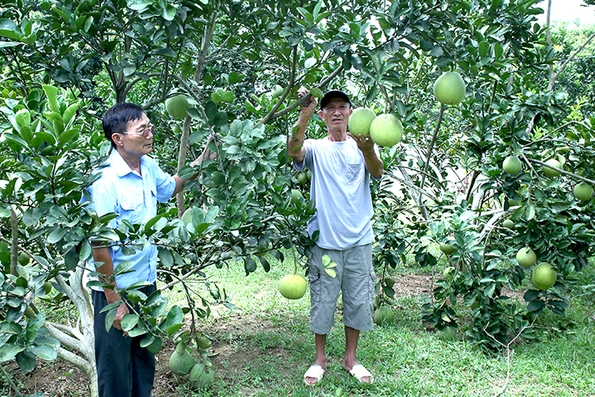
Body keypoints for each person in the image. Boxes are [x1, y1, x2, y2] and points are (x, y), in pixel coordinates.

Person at [85, 102, 215, 397]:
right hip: (116, 290)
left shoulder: (147, 166)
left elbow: (171, 187)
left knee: (143, 361)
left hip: (146, 286)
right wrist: (113, 299)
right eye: (142, 129)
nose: (149, 134)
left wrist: (204, 160)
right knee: (114, 370)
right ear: (118, 138)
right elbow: (100, 244)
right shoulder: (105, 181)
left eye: (150, 127)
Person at [288, 90, 384, 386]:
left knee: (357, 300)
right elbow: (294, 151)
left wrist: (367, 149)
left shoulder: (364, 145)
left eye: (343, 106)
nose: (337, 112)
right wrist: (304, 113)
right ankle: (319, 360)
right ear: (323, 115)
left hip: (359, 241)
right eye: (330, 108)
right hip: (325, 242)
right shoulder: (316, 147)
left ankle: (350, 359)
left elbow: (377, 172)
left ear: (351, 112)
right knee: (323, 301)